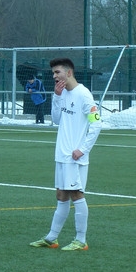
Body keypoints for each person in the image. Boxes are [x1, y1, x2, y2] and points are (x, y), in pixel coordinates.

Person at [29, 57, 102, 251]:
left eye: (57, 72)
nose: (54, 76)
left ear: (68, 73)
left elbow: (96, 123)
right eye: (53, 73)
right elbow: (56, 119)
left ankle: (81, 240)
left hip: (74, 156)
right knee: (61, 195)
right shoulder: (61, 94)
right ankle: (52, 238)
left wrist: (83, 149)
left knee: (76, 194)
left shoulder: (84, 95)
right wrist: (57, 96)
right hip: (61, 155)